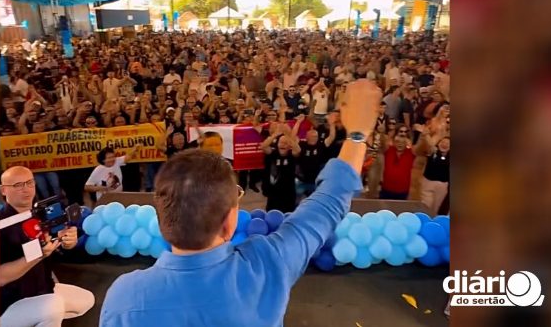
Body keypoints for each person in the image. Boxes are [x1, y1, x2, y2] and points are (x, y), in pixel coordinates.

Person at [98, 79, 381, 326]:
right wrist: (357, 135)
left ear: (162, 220)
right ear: (230, 222)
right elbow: (327, 204)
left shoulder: (124, 298)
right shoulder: (267, 265)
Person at [0, 166, 94, 327]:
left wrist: (68, 242)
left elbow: (61, 247)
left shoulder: (43, 215)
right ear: (3, 190)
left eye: (30, 182)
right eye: (18, 185)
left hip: (43, 290)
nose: (26, 189)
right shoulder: (0, 225)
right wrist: (39, 255)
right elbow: (0, 278)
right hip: (8, 303)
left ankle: (36, 319)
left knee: (86, 300)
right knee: (53, 306)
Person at [260, 121, 302, 213]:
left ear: (289, 146)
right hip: (273, 193)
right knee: (271, 215)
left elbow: (298, 150)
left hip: (288, 193)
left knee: (288, 215)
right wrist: (275, 134)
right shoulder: (273, 154)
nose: (282, 144)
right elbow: (263, 146)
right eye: (281, 142)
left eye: (285, 143)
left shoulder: (292, 156)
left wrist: (288, 135)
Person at [379, 134, 415, 200]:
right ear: (393, 142)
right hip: (386, 189)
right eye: (397, 141)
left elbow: (420, 149)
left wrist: (410, 143)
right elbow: (382, 143)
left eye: (403, 142)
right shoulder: (388, 150)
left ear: (406, 143)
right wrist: (384, 133)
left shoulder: (411, 153)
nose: (400, 144)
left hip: (402, 191)